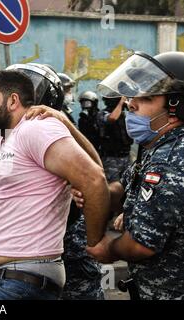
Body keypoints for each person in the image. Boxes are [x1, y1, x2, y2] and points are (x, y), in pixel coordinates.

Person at [0, 69, 110, 300]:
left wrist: (95, 243)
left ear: (13, 100)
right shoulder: (1, 141)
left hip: (24, 278)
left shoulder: (36, 127)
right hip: (5, 278)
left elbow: (94, 178)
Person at [76, 51, 184, 300]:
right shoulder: (156, 149)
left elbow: (141, 245)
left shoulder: (169, 160)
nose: (130, 103)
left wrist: (108, 249)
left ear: (176, 104)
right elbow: (120, 189)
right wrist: (92, 189)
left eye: (145, 97)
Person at [98, 96, 133, 182]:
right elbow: (112, 118)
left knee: (128, 183)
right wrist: (121, 103)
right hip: (111, 158)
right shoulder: (102, 113)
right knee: (114, 184)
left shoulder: (124, 114)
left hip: (126, 155)